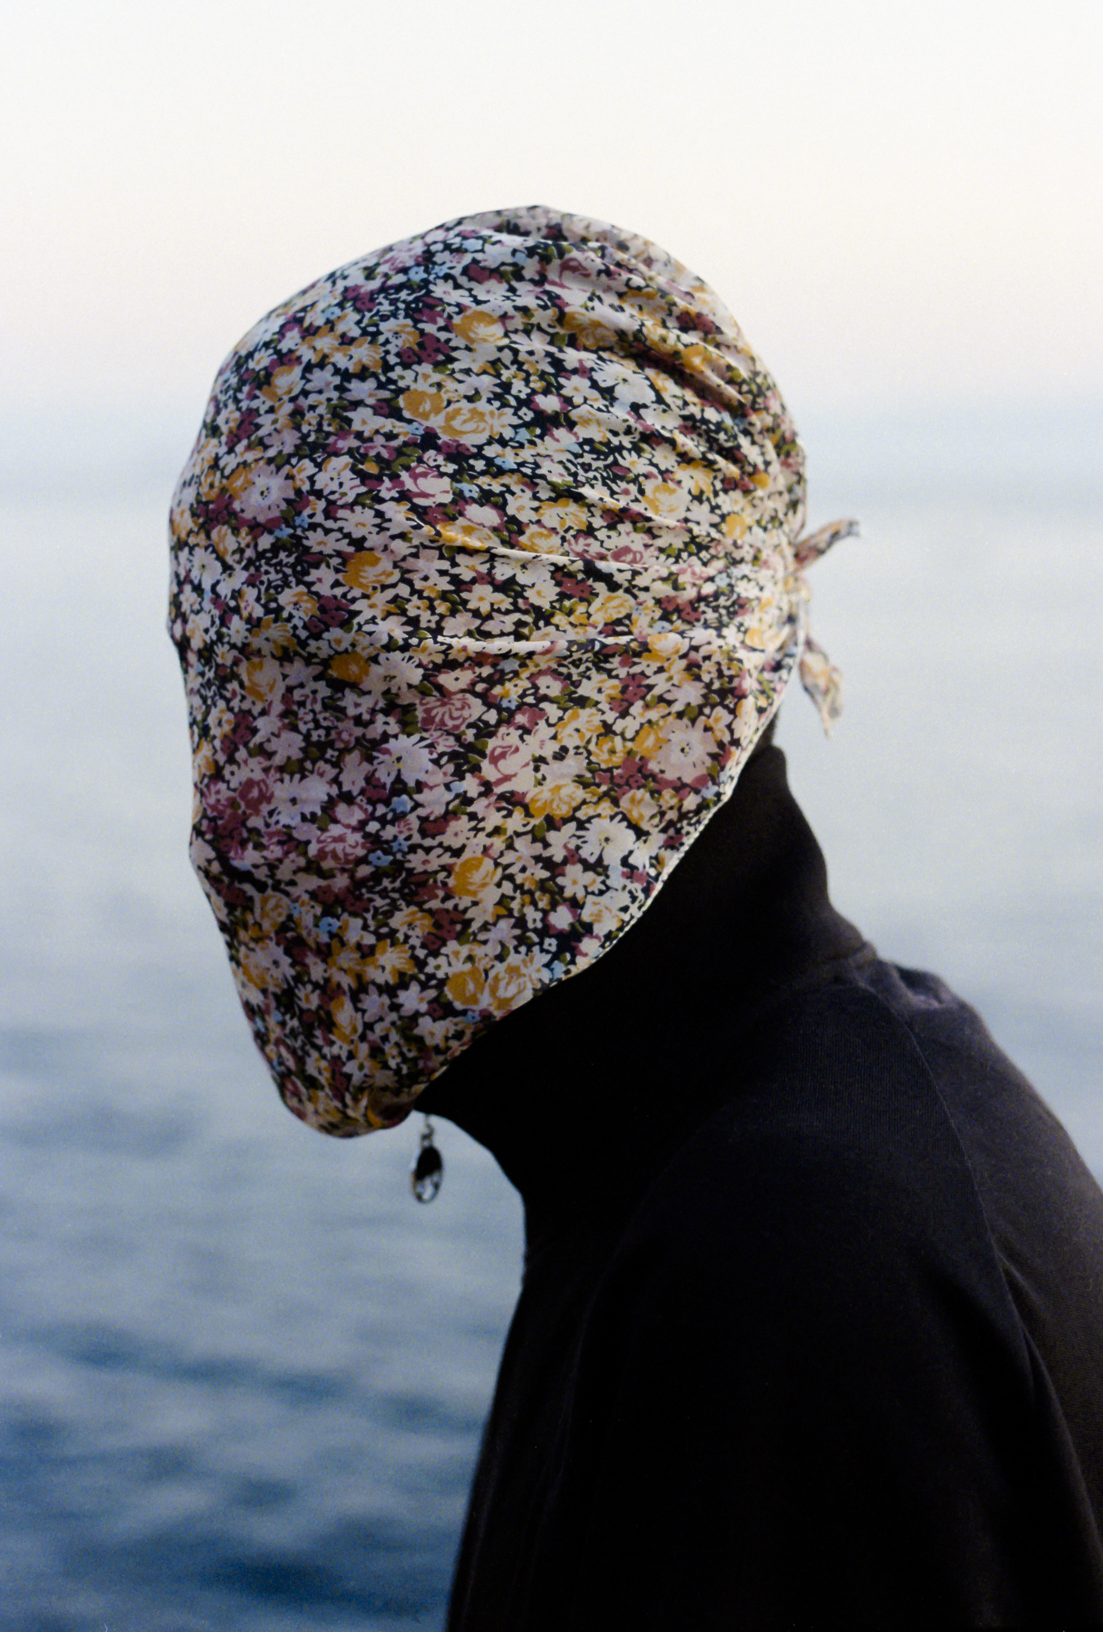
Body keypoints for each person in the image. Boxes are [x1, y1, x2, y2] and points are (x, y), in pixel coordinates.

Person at [169, 207, 1103, 1628]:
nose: (228, 818)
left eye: (328, 705)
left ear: (596, 687)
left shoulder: (792, 1266)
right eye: (213, 694)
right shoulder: (715, 1159)